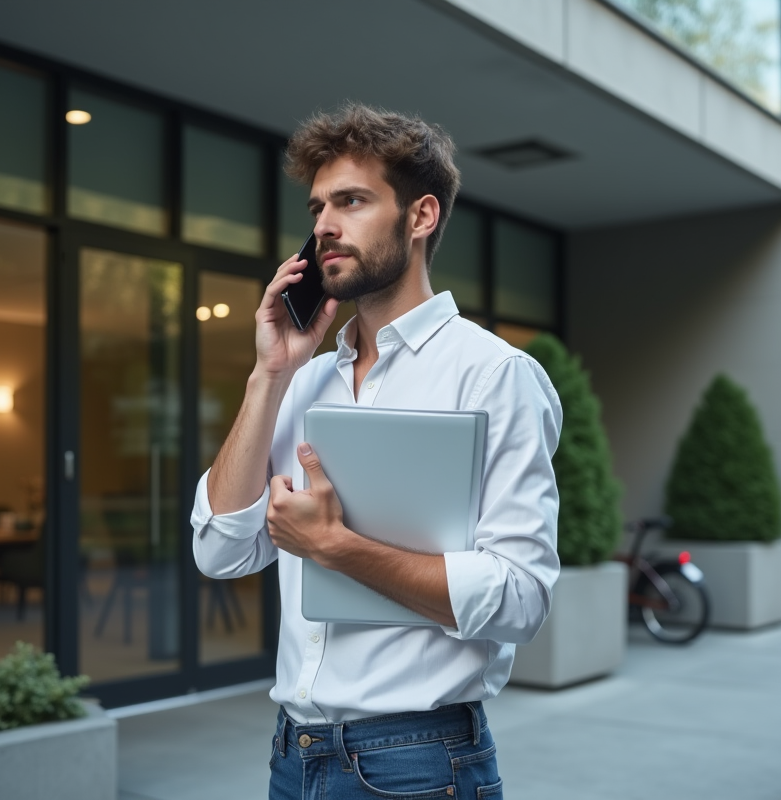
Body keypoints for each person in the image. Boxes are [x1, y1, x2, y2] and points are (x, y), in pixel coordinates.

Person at [192, 102, 562, 800]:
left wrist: (338, 547)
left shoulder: (493, 374)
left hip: (419, 763)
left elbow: (521, 598)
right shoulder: (302, 380)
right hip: (292, 755)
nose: (324, 225)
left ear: (420, 217)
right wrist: (268, 374)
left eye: (352, 201)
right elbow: (220, 550)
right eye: (317, 207)